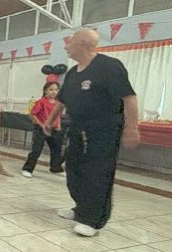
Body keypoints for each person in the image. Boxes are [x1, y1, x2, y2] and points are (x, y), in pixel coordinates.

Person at [44, 28, 139, 237]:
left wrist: (132, 127)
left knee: (97, 173)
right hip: (77, 128)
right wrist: (50, 121)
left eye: (70, 42)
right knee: (74, 168)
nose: (66, 46)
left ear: (83, 44)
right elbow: (62, 100)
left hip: (104, 130)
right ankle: (80, 208)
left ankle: (93, 220)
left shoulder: (109, 67)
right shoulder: (72, 72)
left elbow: (129, 98)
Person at [22, 82, 64, 177]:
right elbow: (32, 114)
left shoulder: (58, 103)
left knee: (56, 150)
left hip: (54, 129)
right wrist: (42, 125)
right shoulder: (41, 102)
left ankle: (55, 168)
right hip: (41, 129)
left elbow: (58, 116)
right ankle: (27, 169)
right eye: (51, 89)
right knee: (37, 150)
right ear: (45, 91)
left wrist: (58, 126)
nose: (54, 92)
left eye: (56, 90)